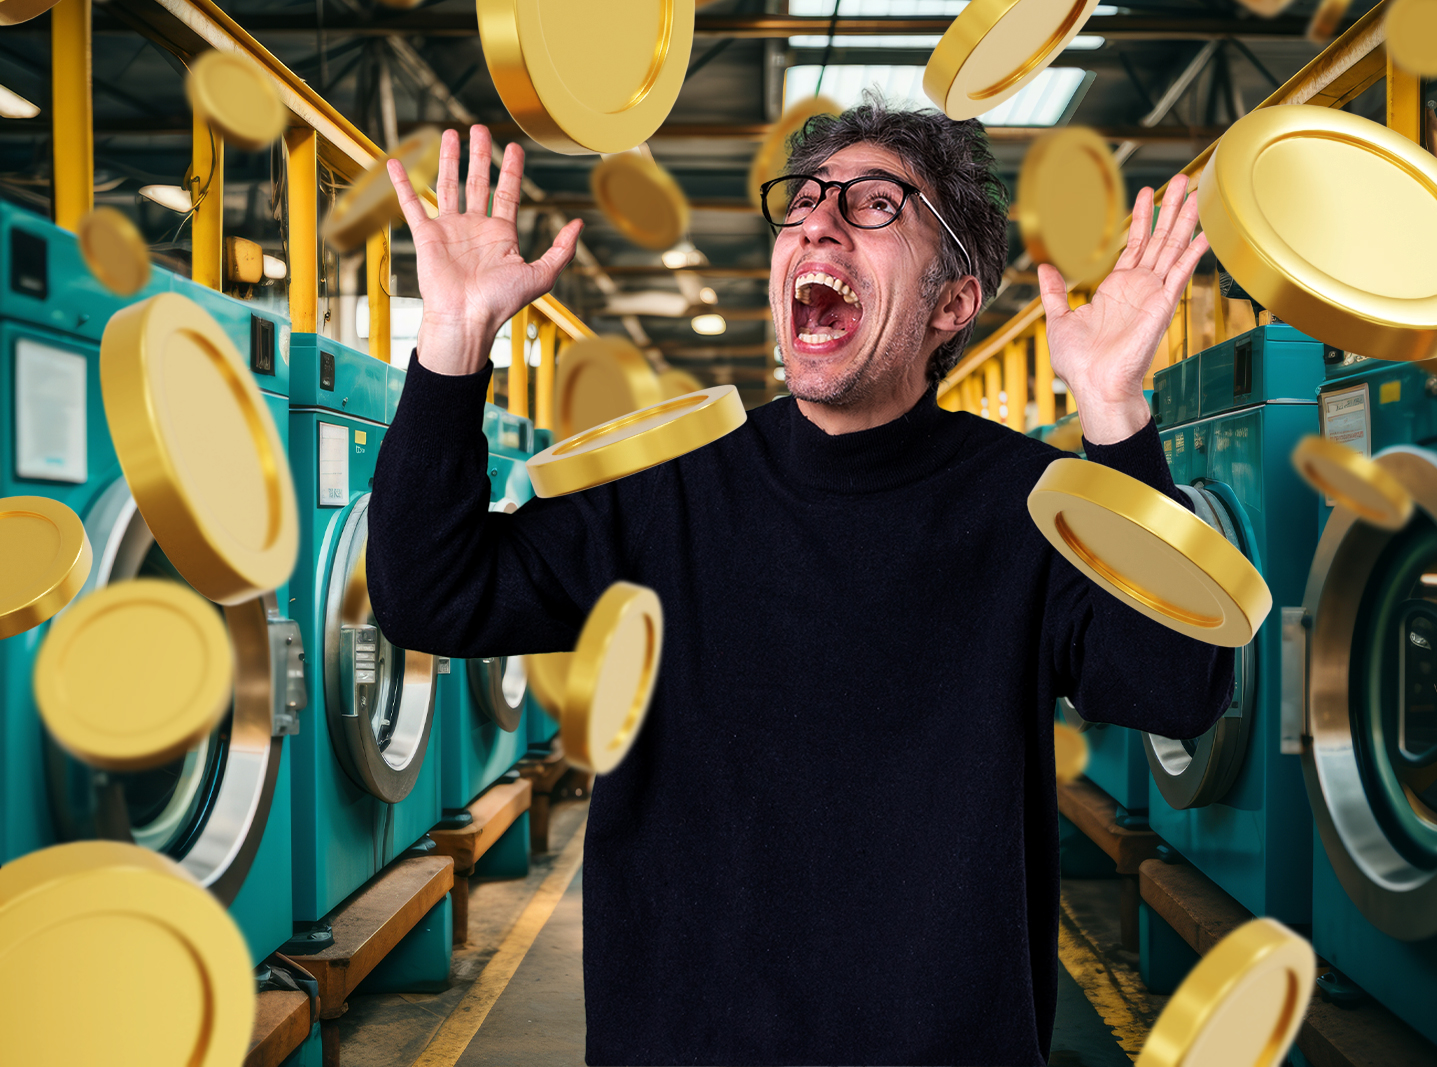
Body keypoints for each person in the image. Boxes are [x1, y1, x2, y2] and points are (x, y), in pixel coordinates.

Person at [369, 103, 1233, 1066]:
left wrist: (1114, 411)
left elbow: (1175, 685)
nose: (817, 221)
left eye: (874, 206)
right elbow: (428, 593)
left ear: (954, 304)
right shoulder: (670, 489)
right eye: (805, 203)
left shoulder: (1025, 504)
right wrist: (450, 340)